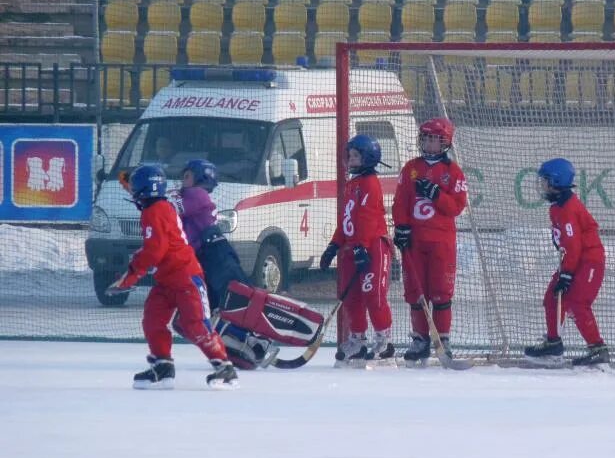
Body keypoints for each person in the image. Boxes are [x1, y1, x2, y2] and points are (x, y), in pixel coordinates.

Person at [173, 159, 324, 369]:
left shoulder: (196, 194)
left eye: (187, 176)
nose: (182, 180)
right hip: (206, 256)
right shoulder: (190, 195)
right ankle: (245, 344)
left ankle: (256, 340)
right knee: (218, 306)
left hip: (215, 254)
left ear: (201, 178)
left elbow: (171, 207)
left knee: (234, 301)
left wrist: (149, 193)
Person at [106, 164, 238, 389]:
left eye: (135, 187)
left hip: (186, 277)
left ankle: (225, 368)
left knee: (196, 324)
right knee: (152, 320)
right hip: (166, 280)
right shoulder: (157, 207)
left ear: (143, 189)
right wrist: (134, 184)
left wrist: (130, 277)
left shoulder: (155, 210)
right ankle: (163, 366)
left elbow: (154, 251)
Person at [391, 118, 468, 365]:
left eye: (434, 138)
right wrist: (401, 227)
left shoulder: (453, 172)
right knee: (416, 291)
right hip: (415, 241)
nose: (428, 142)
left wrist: (436, 194)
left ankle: (442, 339)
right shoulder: (411, 168)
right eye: (425, 137)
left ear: (444, 142)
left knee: (440, 292)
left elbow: (457, 206)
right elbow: (401, 201)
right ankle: (420, 339)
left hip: (441, 242)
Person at [524, 158, 609, 367]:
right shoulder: (557, 206)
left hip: (588, 260)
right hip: (571, 260)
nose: (541, 185)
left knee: (577, 303)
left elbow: (573, 245)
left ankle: (597, 348)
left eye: (544, 181)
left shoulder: (568, 208)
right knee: (552, 298)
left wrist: (567, 274)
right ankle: (553, 343)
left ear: (556, 181)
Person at [320, 134, 395, 365]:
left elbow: (368, 218)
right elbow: (347, 220)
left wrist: (362, 248)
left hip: (373, 247)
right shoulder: (352, 185)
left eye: (355, 156)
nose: (351, 160)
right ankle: (358, 339)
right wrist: (334, 245)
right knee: (350, 296)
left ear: (368, 158)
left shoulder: (370, 183)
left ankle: (384, 340)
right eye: (349, 155)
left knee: (374, 295)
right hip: (354, 248)